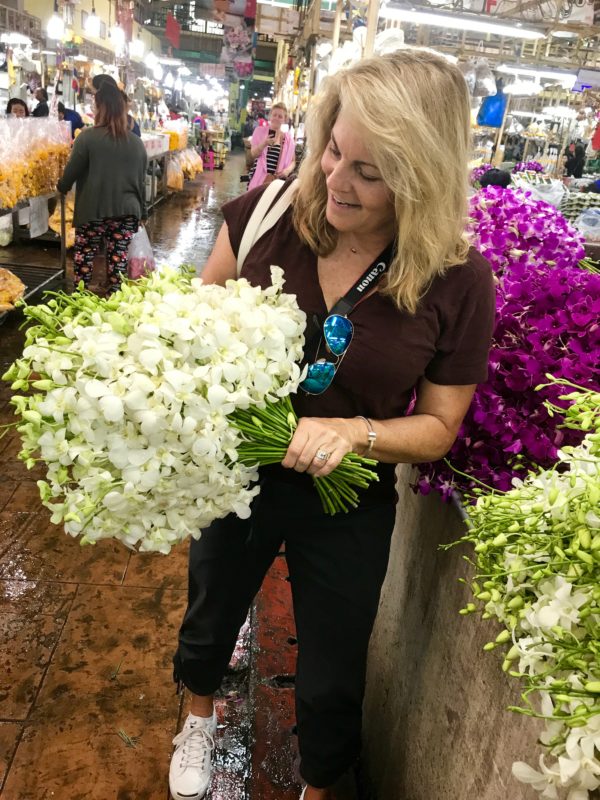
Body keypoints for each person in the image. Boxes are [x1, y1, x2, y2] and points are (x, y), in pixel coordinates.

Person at [168, 49, 495, 800]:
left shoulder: (455, 277)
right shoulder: (272, 214)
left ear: (420, 176)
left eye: (369, 172)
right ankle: (197, 715)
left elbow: (442, 425)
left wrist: (358, 434)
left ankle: (320, 782)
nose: (335, 179)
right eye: (334, 150)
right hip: (237, 469)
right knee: (213, 606)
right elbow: (187, 329)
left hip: (345, 498)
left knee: (333, 663)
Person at [57, 82, 147, 294]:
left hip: (93, 211)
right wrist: (143, 212)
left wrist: (62, 187)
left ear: (100, 108)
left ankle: (79, 305)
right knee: (117, 266)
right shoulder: (136, 143)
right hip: (127, 211)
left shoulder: (87, 138)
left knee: (84, 263)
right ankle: (114, 306)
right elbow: (140, 182)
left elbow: (71, 173)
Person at [247, 102, 295, 189]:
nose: (276, 118)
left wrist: (287, 171)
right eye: (274, 115)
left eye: (280, 116)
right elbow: (253, 154)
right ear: (270, 116)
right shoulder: (259, 131)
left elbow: (293, 161)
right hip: (258, 180)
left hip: (276, 182)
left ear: (284, 119)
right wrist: (264, 143)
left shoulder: (288, 139)